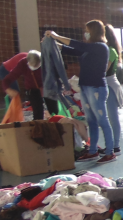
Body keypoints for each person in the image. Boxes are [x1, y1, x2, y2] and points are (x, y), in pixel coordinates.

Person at [44, 21, 115, 164]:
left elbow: (78, 46)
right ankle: (93, 151)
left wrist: (57, 36)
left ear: (93, 31)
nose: (85, 33)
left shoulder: (100, 47)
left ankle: (110, 152)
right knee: (91, 121)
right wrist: (53, 44)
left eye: (87, 30)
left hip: (96, 88)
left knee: (102, 120)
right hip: (85, 87)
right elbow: (73, 50)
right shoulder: (89, 48)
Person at [0, 50, 58, 121]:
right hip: (32, 89)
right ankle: (38, 126)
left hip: (48, 87)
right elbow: (8, 79)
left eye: (36, 66)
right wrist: (7, 89)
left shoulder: (47, 63)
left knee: (54, 111)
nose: (34, 68)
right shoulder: (23, 63)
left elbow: (56, 77)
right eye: (32, 66)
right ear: (28, 62)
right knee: (38, 113)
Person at [104, 24, 123, 156]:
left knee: (113, 117)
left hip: (110, 87)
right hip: (103, 86)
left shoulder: (111, 50)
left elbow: (103, 69)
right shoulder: (104, 49)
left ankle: (116, 146)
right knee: (105, 117)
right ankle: (110, 145)